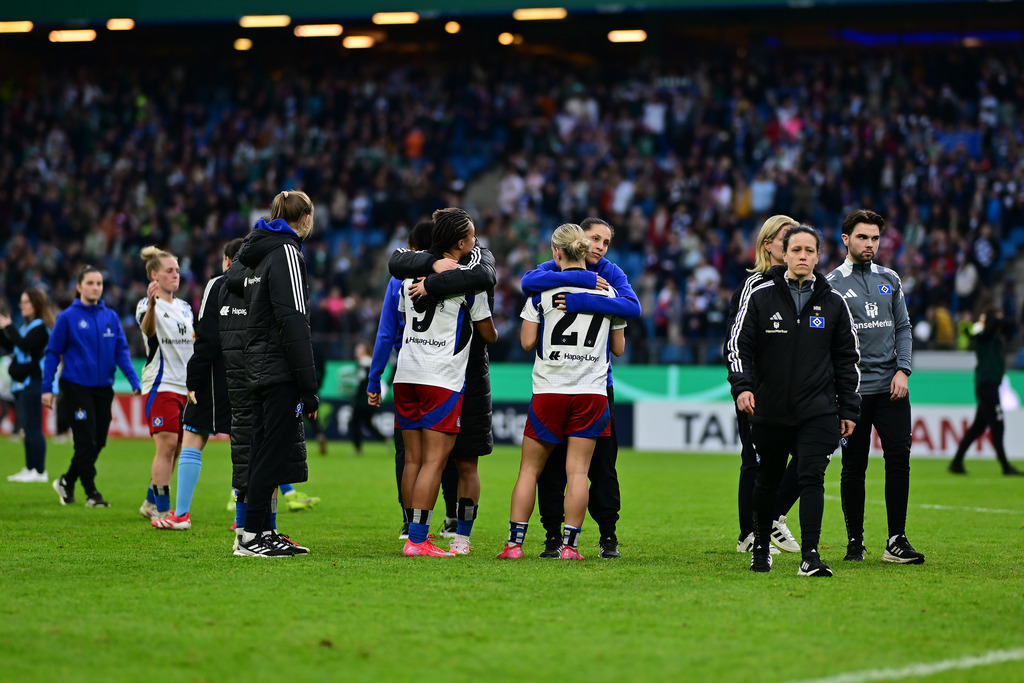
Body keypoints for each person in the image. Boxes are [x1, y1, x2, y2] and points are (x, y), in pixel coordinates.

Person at [727, 225, 861, 577]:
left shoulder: (834, 303)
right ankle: (760, 549)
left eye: (809, 250)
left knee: (811, 477)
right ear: (783, 254)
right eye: (796, 250)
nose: (803, 256)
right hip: (770, 409)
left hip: (818, 411)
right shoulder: (760, 296)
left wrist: (848, 408)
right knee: (768, 481)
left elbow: (847, 361)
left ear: (818, 257)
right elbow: (739, 347)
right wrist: (743, 387)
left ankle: (811, 556)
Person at [497, 223, 626, 560]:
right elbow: (619, 347)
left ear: (556, 253)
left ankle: (514, 545)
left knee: (530, 470)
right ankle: (570, 547)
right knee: (579, 473)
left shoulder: (540, 293)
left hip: (549, 391)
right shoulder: (609, 292)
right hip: (591, 393)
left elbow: (526, 342)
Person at [387, 211, 498, 554]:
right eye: (472, 237)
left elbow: (405, 318)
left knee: (414, 460)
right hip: (441, 378)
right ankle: (419, 541)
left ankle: (413, 533)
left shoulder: (409, 279)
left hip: (406, 373)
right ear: (461, 243)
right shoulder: (469, 282)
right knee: (436, 462)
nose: (476, 242)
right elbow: (487, 334)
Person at [826, 209, 925, 564]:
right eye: (863, 237)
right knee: (854, 465)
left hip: (891, 388)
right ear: (846, 240)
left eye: (875, 238)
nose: (870, 244)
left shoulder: (891, 279)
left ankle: (896, 540)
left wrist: (904, 369)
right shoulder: (832, 283)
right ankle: (855, 542)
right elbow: (828, 343)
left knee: (899, 458)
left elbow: (903, 328)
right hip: (853, 392)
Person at [234, 189, 319, 557]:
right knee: (272, 451)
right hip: (279, 369)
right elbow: (293, 321)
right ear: (306, 219)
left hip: (257, 364)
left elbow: (235, 288)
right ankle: (254, 534)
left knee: (262, 449)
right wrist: (308, 385)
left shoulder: (255, 253)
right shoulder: (286, 252)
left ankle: (257, 532)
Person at [370, 220, 459, 540]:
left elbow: (385, 333)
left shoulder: (400, 278)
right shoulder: (456, 275)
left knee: (408, 455)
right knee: (439, 455)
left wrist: (373, 378)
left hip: (405, 369)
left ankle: (410, 524)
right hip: (440, 371)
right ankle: (443, 519)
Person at [724, 215, 802, 557]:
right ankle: (748, 533)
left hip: (797, 389)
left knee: (809, 453)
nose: (790, 244)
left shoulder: (803, 285)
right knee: (754, 460)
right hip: (757, 387)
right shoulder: (754, 285)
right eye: (785, 238)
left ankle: (771, 518)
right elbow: (737, 338)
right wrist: (745, 383)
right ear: (767, 244)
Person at [152, 240, 238, 530]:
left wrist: (195, 377)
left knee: (192, 434)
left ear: (227, 260)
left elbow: (208, 337)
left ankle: (181, 514)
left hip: (216, 376)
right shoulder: (262, 283)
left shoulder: (218, 284)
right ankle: (245, 517)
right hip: (252, 374)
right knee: (247, 444)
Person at [43, 266, 142, 506]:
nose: (95, 287)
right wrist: (48, 387)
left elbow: (121, 351)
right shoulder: (67, 317)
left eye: (98, 283)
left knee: (98, 442)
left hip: (103, 389)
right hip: (76, 387)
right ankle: (91, 493)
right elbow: (53, 353)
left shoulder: (110, 317)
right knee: (85, 441)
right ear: (79, 287)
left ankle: (67, 481)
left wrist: (133, 380)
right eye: (90, 283)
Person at [136, 246, 194, 522]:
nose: (175, 275)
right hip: (161, 384)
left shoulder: (184, 308)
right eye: (169, 271)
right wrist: (152, 305)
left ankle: (150, 501)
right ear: (154, 275)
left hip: (185, 387)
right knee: (167, 445)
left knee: (178, 447)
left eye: (177, 271)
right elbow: (148, 331)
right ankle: (162, 509)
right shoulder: (146, 305)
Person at [949, 306, 1021, 476]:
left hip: (989, 385)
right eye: (998, 317)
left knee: (978, 428)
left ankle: (956, 463)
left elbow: (1011, 325)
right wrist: (988, 319)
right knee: (998, 424)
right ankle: (1005, 467)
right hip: (987, 385)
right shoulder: (983, 335)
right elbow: (997, 323)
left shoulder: (995, 335)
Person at [1, 289, 55, 482]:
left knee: (33, 427)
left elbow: (24, 345)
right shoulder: (27, 327)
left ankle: (39, 470)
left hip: (33, 381)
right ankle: (30, 467)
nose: (21, 306)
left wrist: (9, 327)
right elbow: (13, 347)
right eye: (21, 302)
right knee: (26, 427)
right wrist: (3, 330)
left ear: (36, 304)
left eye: (25, 302)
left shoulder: (40, 328)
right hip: (21, 383)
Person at [350, 342, 383, 455]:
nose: (356, 351)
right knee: (367, 424)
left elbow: (360, 381)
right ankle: (384, 439)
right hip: (369, 399)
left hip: (362, 400)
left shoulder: (364, 363)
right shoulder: (370, 363)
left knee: (355, 422)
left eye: (359, 349)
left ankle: (357, 448)